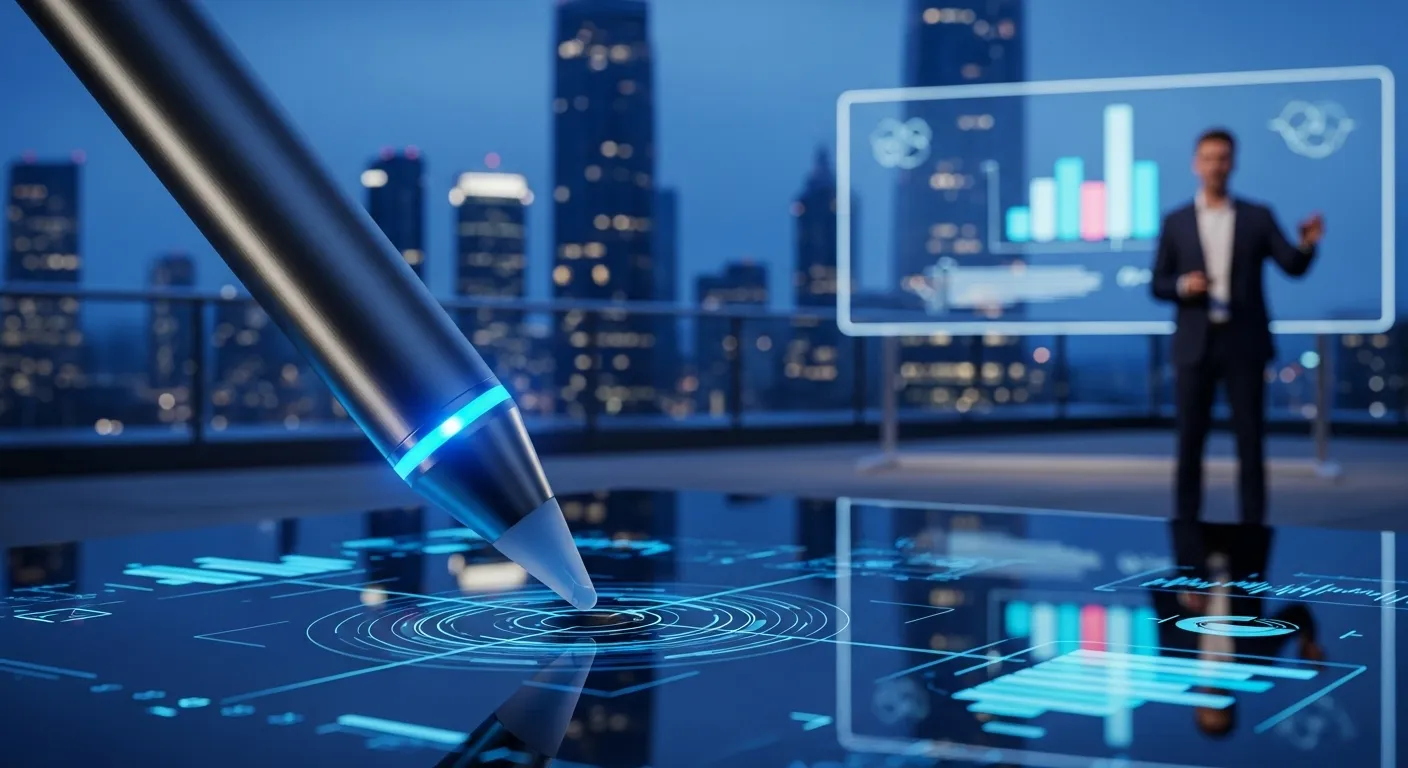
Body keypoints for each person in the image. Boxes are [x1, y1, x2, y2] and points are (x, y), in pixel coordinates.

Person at [1151, 128, 1325, 525]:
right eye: (1209, 157)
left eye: (1223, 157)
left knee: (1251, 443)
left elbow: (1292, 266)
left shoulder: (1257, 216)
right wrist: (1183, 285)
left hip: (1244, 344)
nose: (1216, 165)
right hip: (1195, 344)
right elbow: (1157, 283)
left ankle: (1253, 532)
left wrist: (1308, 244)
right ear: (1197, 164)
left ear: (1233, 163)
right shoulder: (1175, 221)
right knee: (1190, 444)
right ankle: (1187, 534)